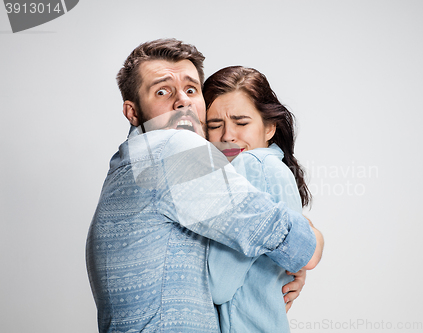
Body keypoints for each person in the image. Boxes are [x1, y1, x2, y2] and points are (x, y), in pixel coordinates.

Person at [86, 38, 322, 333]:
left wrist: (271, 266)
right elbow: (292, 242)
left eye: (191, 89)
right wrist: (303, 246)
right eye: (162, 91)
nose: (182, 100)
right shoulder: (172, 146)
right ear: (133, 112)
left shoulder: (128, 163)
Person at [203, 66, 322, 332]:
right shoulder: (275, 169)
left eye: (241, 122)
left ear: (270, 128)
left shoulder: (250, 165)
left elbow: (217, 285)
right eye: (214, 125)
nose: (227, 136)